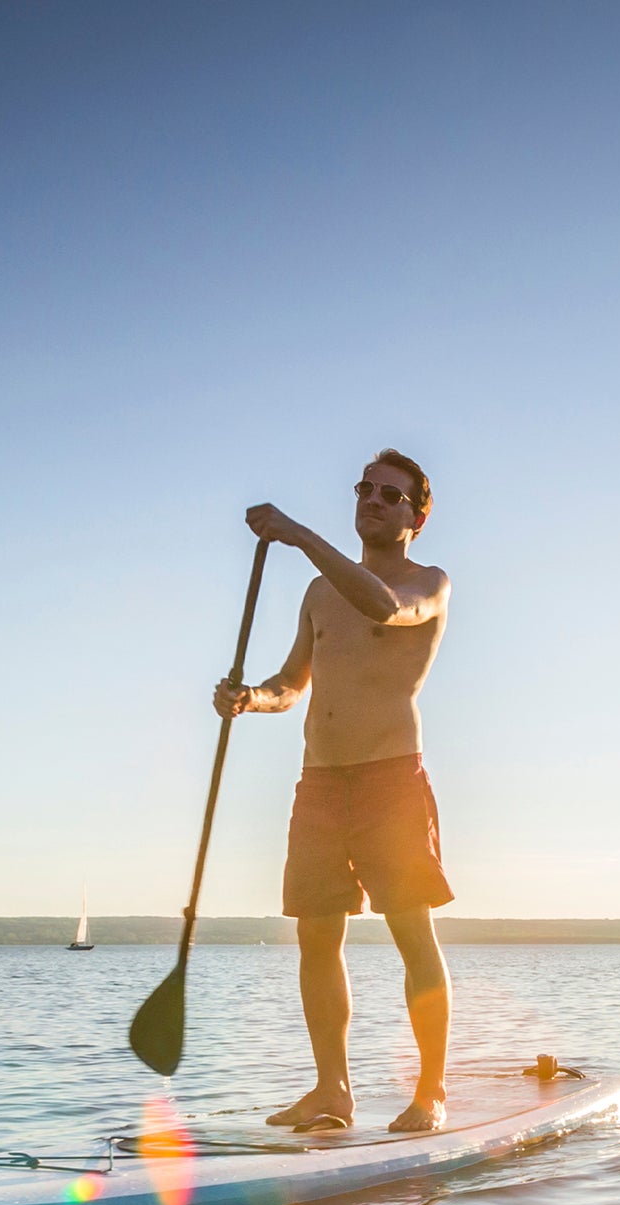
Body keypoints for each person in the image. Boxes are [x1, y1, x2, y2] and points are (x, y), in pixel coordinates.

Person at [213, 450, 453, 1132]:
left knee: (412, 933)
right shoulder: (319, 594)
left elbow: (382, 604)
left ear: (417, 515)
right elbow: (293, 684)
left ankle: (430, 1093)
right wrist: (250, 698)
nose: (373, 501)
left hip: (390, 778)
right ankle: (332, 1091)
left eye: (391, 495)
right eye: (365, 490)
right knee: (316, 938)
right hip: (319, 783)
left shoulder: (428, 582)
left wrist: (299, 536)